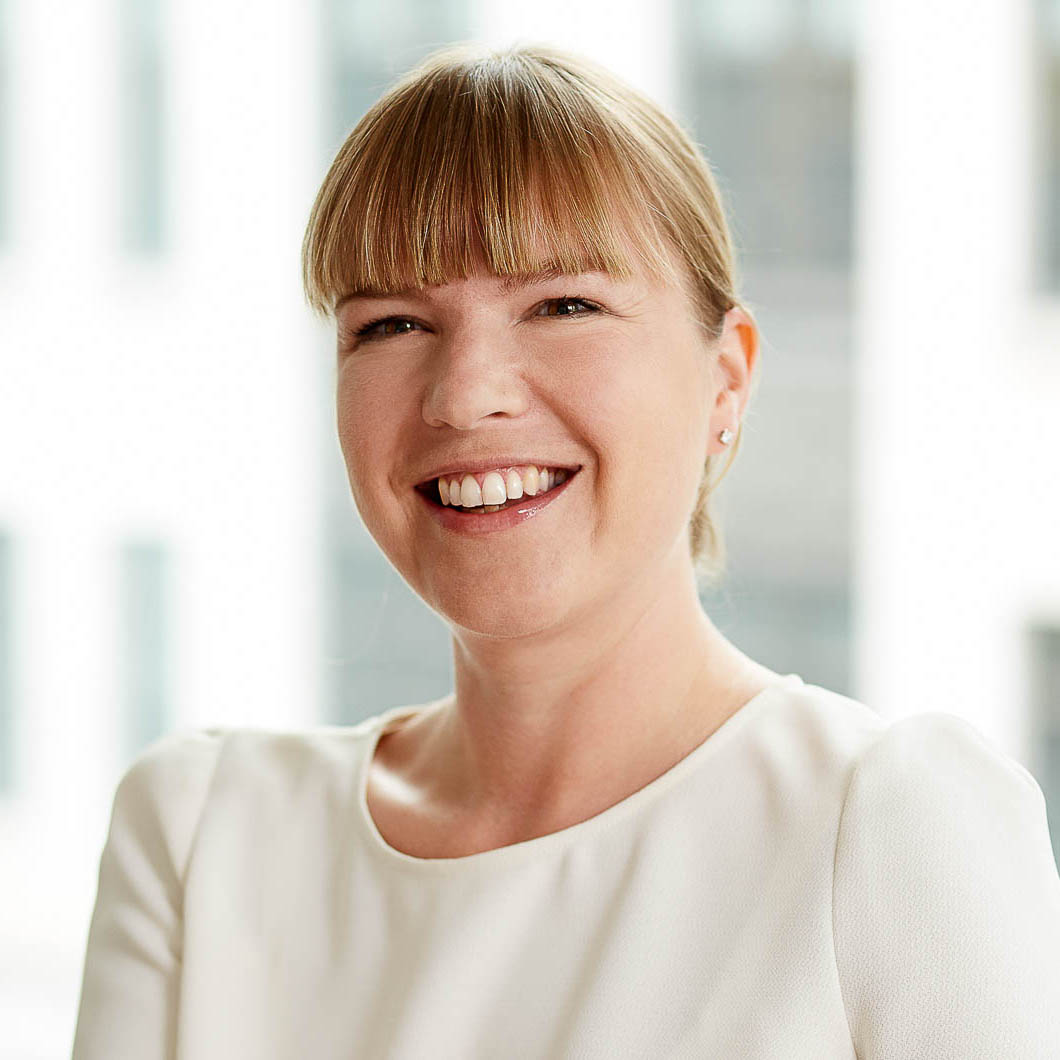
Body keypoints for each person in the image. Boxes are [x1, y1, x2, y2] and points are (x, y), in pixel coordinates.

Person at [72, 41, 1060, 1059]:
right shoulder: (200, 835)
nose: (465, 395)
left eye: (563, 306)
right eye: (393, 323)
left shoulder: (887, 828)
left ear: (726, 378)